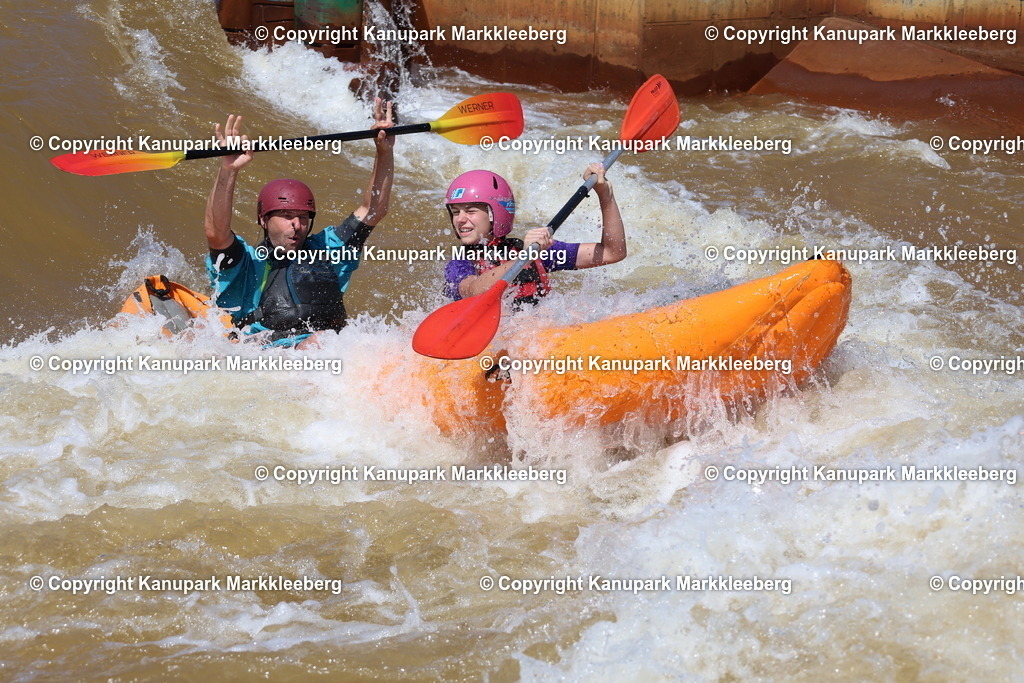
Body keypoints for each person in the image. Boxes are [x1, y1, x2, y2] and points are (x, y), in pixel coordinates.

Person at [203, 98, 394, 348]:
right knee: (321, 341)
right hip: (266, 353)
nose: (296, 224)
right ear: (263, 219)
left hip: (328, 349)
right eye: (286, 216)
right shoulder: (246, 264)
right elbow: (216, 233)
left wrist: (384, 151)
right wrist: (228, 171)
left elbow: (373, 210)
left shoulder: (328, 250)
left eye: (303, 217)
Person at [442, 164, 625, 308]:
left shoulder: (538, 251)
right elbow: (472, 291)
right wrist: (524, 258)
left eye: (470, 211)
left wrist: (605, 195)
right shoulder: (460, 263)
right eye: (456, 212)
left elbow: (612, 252)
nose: (460, 219)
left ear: (495, 213)